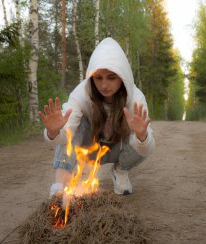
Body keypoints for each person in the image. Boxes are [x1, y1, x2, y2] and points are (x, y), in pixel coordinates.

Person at [38, 38, 155, 196]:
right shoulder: (82, 93)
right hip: (89, 149)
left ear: (123, 76)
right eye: (98, 78)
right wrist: (53, 133)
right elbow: (66, 133)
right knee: (65, 128)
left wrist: (142, 136)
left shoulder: (136, 98)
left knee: (144, 140)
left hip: (118, 149)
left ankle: (120, 171)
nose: (104, 85)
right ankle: (60, 183)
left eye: (112, 77)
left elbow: (148, 147)